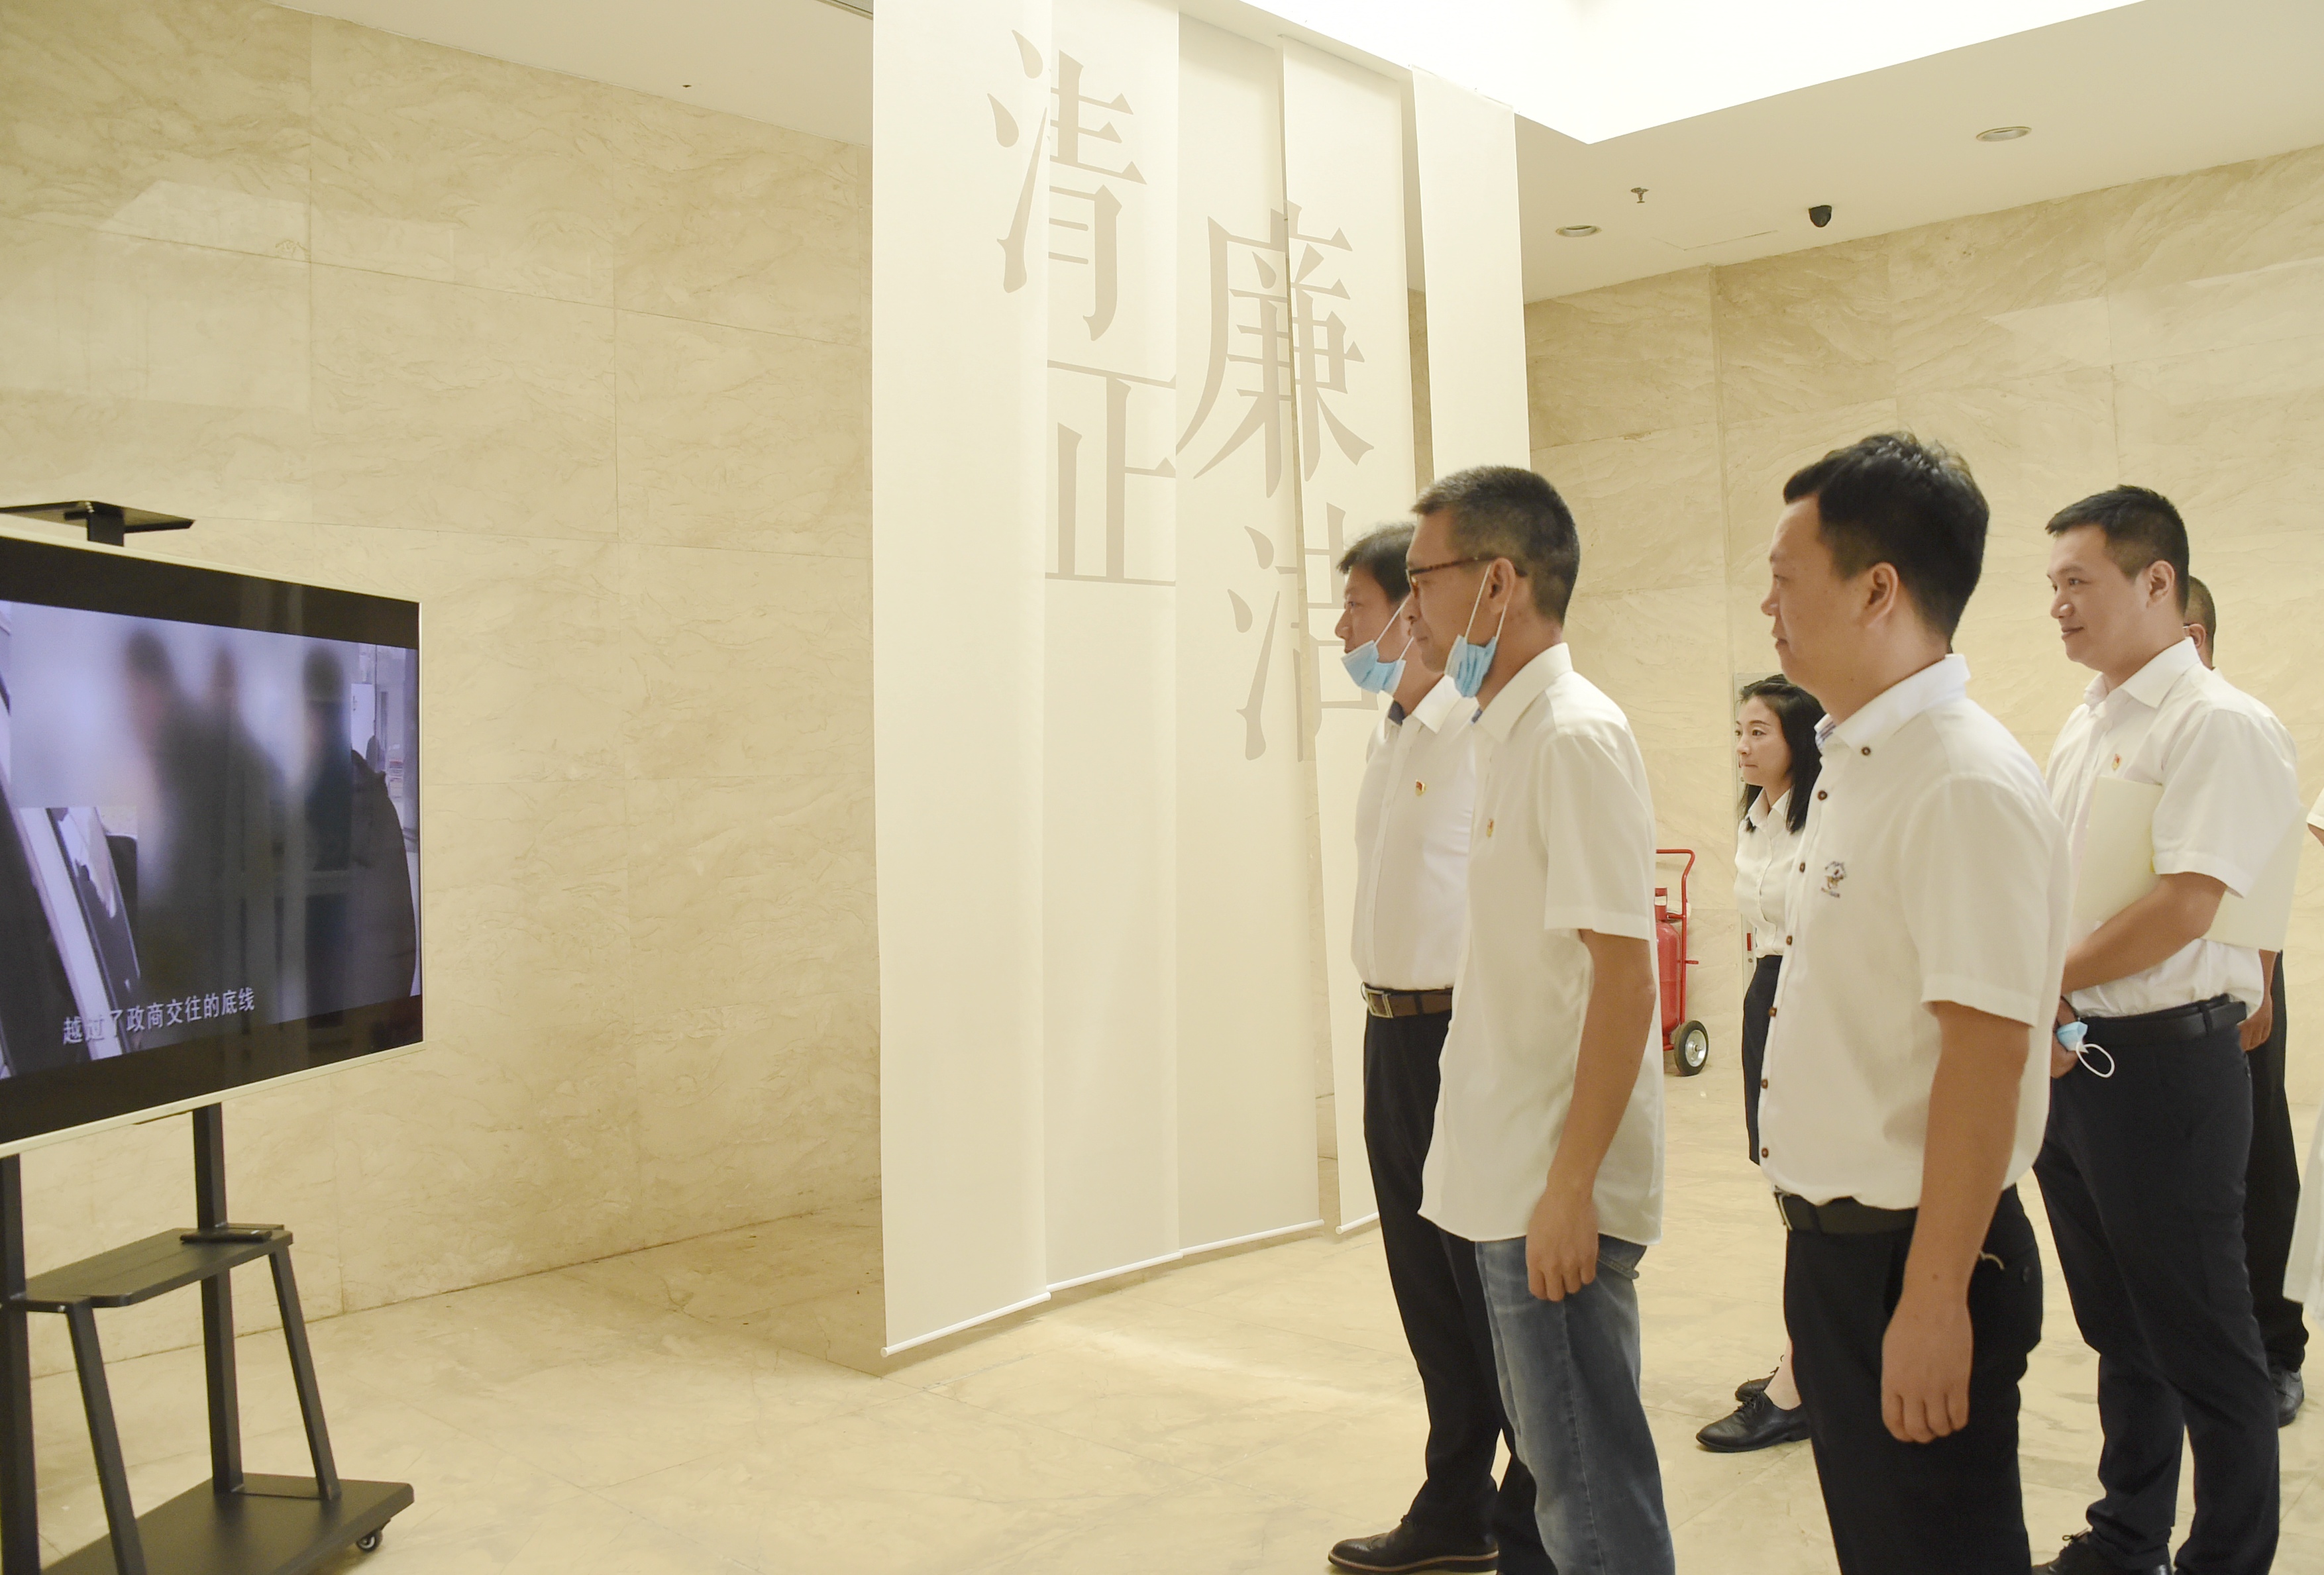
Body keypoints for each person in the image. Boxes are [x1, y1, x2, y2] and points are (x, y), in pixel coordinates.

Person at [1754, 434, 2066, 1574]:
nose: (1767, 607)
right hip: (1846, 1254)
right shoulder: (1864, 757)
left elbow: (1985, 1057)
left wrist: (1934, 1298)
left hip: (1921, 1257)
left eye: (1785, 578)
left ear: (1875, 588)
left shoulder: (1958, 777)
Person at [1407, 465, 1675, 1575]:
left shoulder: (1573, 734)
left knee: (1590, 1503)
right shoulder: (1505, 732)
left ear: (1498, 582)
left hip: (1550, 1189)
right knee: (1565, 1491)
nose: (1410, 607)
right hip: (1511, 1170)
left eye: (1422, 578)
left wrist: (1569, 1188)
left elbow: (1627, 979)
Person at [2034, 490, 2299, 1575]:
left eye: (2078, 582)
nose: (2058, 605)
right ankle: (2126, 1532)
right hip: (2075, 1058)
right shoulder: (2087, 720)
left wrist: (2035, 982)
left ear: (2156, 582)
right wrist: (2048, 1005)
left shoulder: (2214, 721)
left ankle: (2224, 1556)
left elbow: (2186, 904)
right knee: (2119, 1328)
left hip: (2167, 1065)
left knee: (2205, 1339)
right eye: (2051, 586)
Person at [1327, 523, 1548, 1575]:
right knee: (1426, 1285)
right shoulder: (1397, 733)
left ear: (1411, 613)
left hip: (1460, 1032)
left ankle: (1533, 1506)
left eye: (1360, 607)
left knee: (1485, 1282)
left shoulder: (1477, 734)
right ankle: (1456, 1499)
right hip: (1390, 1032)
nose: (1344, 628)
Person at [2184, 574, 2305, 1427]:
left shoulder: (2237, 723)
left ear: (2190, 634)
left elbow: (2271, 861)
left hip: (2238, 967)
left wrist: (2257, 980)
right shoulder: (2122, 725)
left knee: (2257, 1159)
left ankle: (2277, 1347)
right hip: (2162, 982)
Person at [1696, 676, 1822, 1453]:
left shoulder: (1827, 815)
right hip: (1765, 993)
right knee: (1784, 1182)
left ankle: (1800, 1378)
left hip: (1812, 996)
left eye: (1757, 733)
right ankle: (1808, 1353)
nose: (1741, 746)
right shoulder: (1754, 817)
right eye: (1738, 731)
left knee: (1813, 1192)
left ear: (1797, 740)